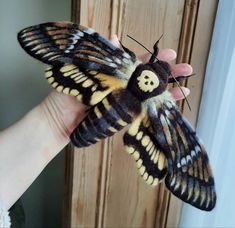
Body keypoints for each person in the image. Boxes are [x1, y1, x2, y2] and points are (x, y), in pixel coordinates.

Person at [0, 36, 192, 227]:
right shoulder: (162, 106)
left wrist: (53, 120)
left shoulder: (136, 72)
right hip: (108, 118)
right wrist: (52, 120)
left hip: (102, 99)